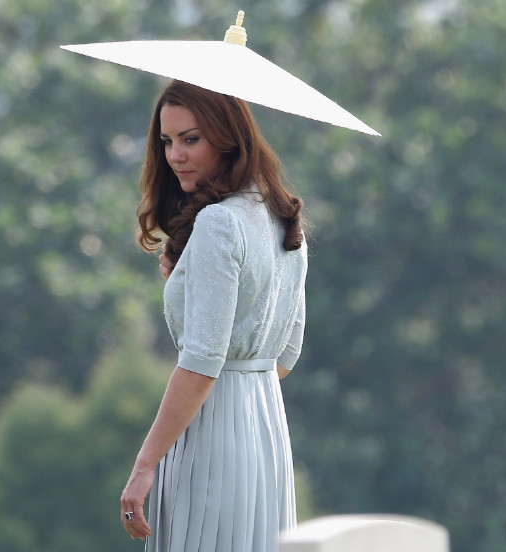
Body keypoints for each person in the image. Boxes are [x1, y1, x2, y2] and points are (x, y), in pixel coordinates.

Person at [118, 80, 307, 552]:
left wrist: (144, 468)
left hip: (212, 434)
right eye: (166, 141)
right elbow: (285, 355)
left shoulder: (219, 222)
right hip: (264, 433)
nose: (174, 155)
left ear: (228, 138)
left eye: (191, 139)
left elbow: (202, 362)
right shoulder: (280, 216)